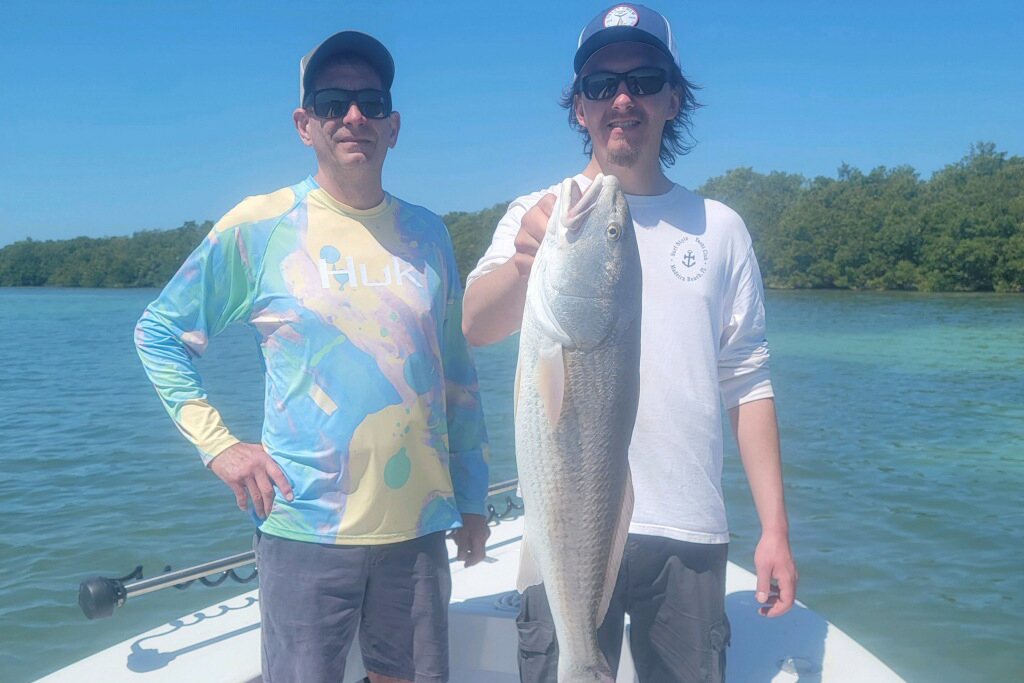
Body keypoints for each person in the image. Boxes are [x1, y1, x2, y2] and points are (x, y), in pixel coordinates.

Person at [135, 31, 489, 683]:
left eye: (370, 100)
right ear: (305, 124)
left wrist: (472, 498)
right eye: (332, 102)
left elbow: (458, 376)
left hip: (415, 533)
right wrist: (219, 445)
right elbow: (159, 332)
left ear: (394, 125)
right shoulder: (260, 224)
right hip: (304, 532)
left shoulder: (429, 233)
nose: (353, 115)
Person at [462, 5, 797, 682]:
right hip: (562, 526)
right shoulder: (542, 213)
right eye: (600, 85)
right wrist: (526, 264)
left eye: (644, 80)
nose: (622, 99)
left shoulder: (721, 228)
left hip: (689, 532)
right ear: (578, 107)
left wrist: (775, 530)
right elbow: (475, 324)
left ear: (674, 98)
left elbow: (749, 381)